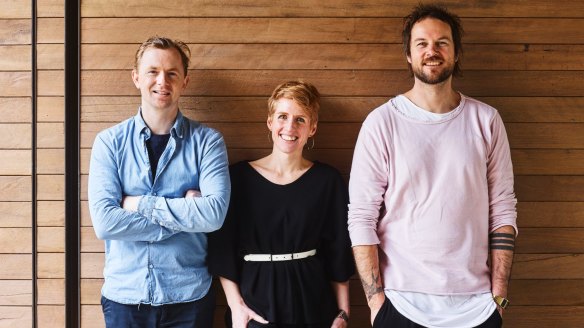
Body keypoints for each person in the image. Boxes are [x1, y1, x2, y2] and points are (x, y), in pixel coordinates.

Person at [348, 4, 517, 328]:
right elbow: (361, 217)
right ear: (409, 55)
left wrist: (499, 296)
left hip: (477, 308)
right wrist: (375, 300)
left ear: (456, 53)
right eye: (422, 43)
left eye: (442, 42)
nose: (432, 51)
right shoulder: (382, 123)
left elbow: (503, 210)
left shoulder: (486, 120)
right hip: (400, 305)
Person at [88, 36, 230, 328]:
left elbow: (214, 215)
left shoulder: (208, 143)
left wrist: (138, 204)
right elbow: (105, 223)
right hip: (125, 299)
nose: (162, 81)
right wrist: (187, 215)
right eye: (153, 71)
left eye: (172, 73)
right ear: (136, 77)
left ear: (185, 81)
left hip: (189, 298)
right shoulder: (109, 143)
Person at [208, 81, 355, 328]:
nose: (290, 127)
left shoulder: (327, 180)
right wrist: (236, 307)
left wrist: (343, 313)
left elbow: (338, 250)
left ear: (313, 128)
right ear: (270, 122)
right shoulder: (237, 178)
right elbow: (222, 248)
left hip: (314, 306)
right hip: (255, 308)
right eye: (283, 116)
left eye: (300, 119)